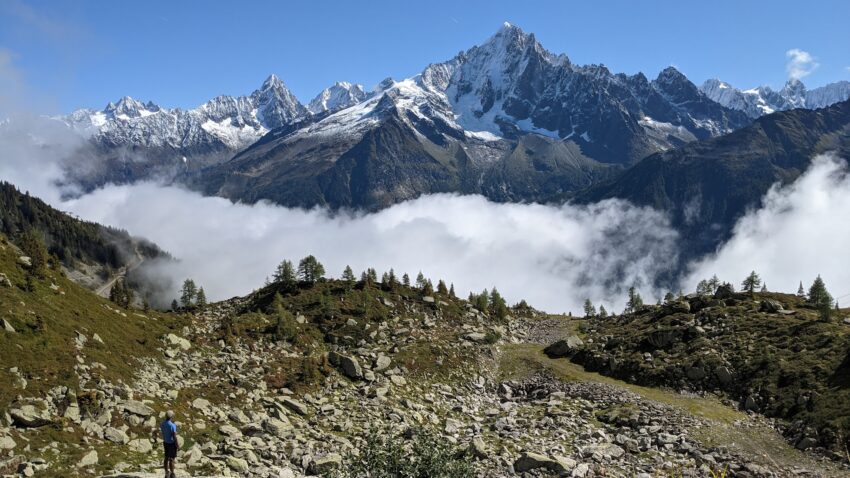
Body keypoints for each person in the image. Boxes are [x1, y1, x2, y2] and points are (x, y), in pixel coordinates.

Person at [160, 410, 178, 478]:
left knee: (166, 457)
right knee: (172, 459)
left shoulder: (162, 424)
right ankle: (172, 474)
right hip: (171, 443)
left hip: (165, 442)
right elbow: (174, 436)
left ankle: (166, 472)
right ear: (172, 416)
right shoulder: (172, 425)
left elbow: (163, 432)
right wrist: (177, 444)